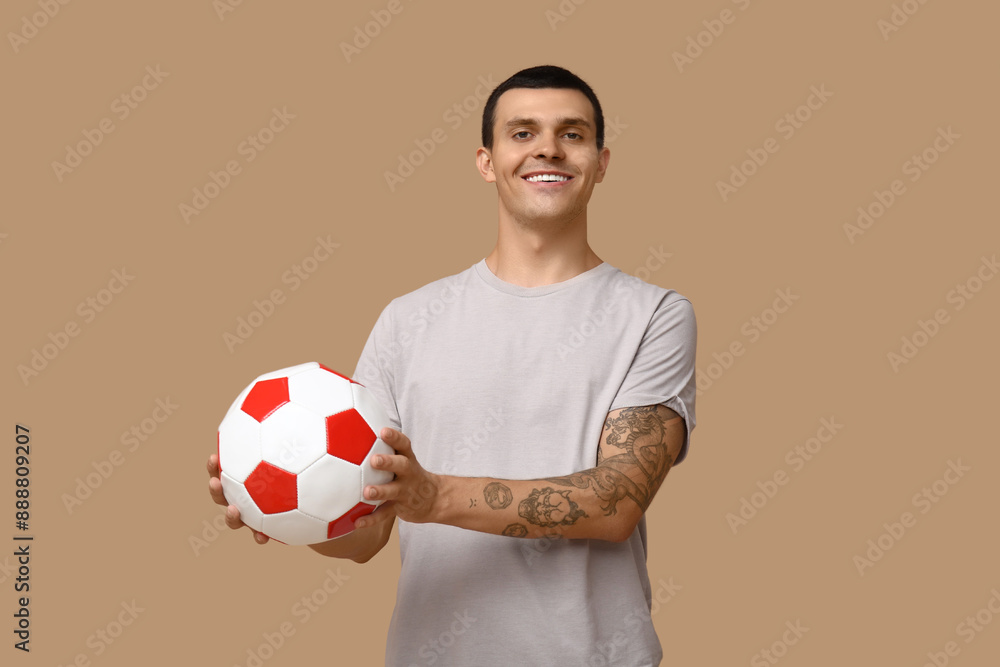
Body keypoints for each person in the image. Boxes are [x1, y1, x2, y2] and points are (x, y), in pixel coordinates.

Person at [208, 64, 697, 666]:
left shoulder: (655, 315)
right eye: (522, 133)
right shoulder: (407, 320)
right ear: (486, 161)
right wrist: (291, 507)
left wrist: (432, 496)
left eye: (573, 133)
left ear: (601, 162)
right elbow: (370, 531)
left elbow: (616, 502)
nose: (548, 147)